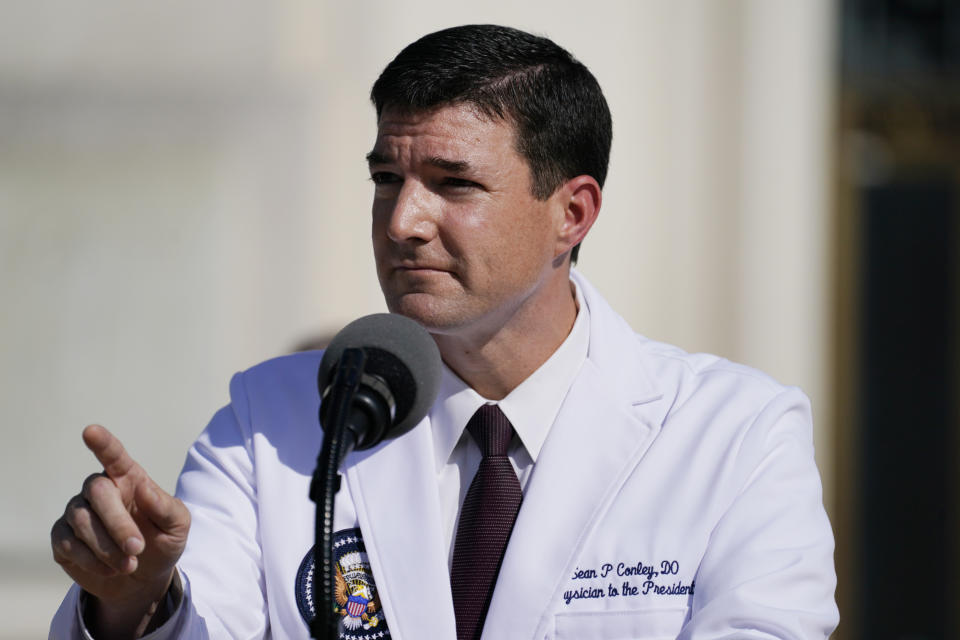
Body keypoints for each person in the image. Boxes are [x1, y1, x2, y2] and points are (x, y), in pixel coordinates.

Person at [50, 24, 839, 640]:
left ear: (573, 213)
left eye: (454, 184)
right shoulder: (269, 419)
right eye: (386, 179)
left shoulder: (736, 432)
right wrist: (135, 603)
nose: (403, 222)